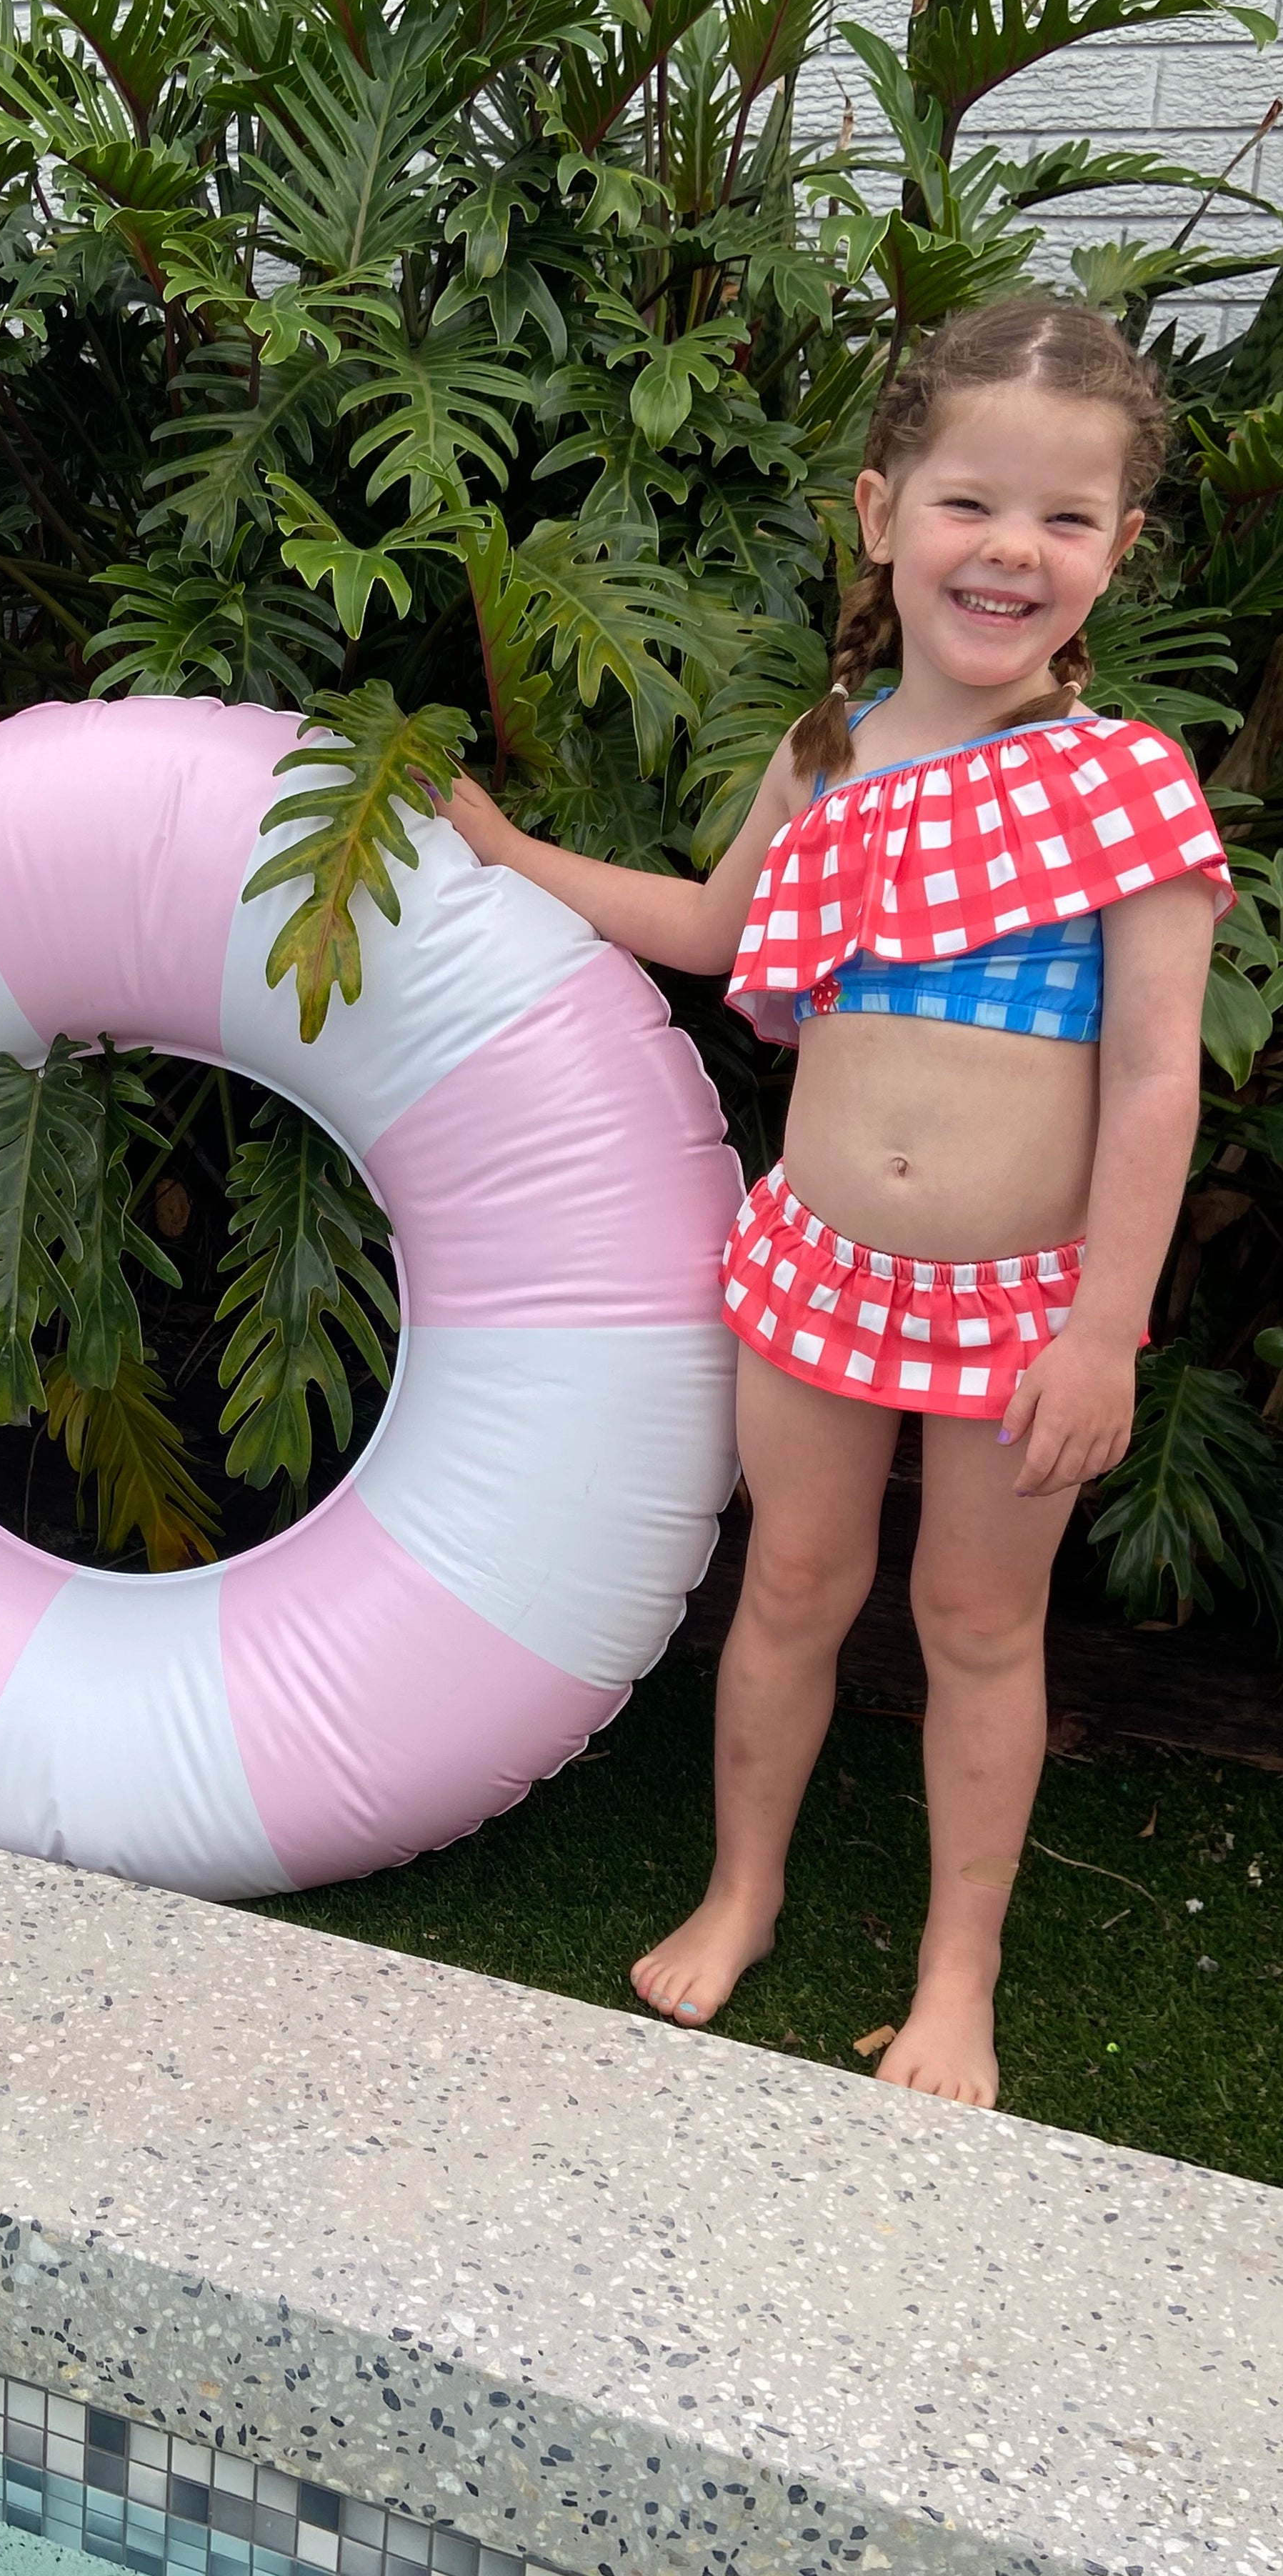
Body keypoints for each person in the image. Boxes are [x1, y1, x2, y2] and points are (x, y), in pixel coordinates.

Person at [449, 299, 1230, 2106]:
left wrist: (1104, 1329)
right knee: (790, 1582)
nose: (1011, 551)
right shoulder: (827, 751)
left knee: (977, 1622)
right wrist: (503, 850)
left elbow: (1154, 1080)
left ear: (1120, 551)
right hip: (816, 1264)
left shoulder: (1126, 789)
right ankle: (744, 1888)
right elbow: (711, 932)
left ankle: (959, 1975)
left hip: (1023, 1300)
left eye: (1066, 518)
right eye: (971, 503)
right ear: (882, 515)